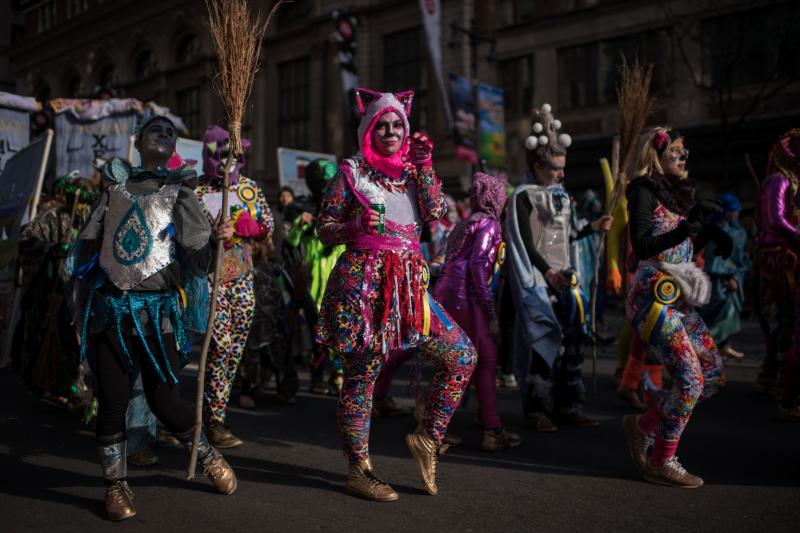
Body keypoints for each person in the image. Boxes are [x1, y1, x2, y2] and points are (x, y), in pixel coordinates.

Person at [65, 115, 237, 521]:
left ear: (175, 148)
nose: (164, 134)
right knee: (113, 402)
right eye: (155, 129)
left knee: (164, 402)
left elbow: (197, 260)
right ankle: (116, 486)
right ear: (137, 139)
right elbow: (88, 255)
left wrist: (216, 242)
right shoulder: (113, 191)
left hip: (157, 317)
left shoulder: (180, 195)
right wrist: (78, 310)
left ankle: (207, 456)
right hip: (111, 313)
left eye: (171, 131)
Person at [315, 88, 476, 501]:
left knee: (461, 355)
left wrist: (424, 167)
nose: (389, 130)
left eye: (396, 124)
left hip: (409, 289)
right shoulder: (351, 172)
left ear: (406, 129)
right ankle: (359, 468)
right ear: (368, 128)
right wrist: (355, 227)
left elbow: (437, 210)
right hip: (362, 286)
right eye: (381, 124)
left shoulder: (413, 172)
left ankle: (429, 437)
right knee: (361, 380)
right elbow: (325, 228)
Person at [622, 127, 730, 487]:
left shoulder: (678, 194)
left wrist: (708, 234)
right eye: (677, 151)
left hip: (677, 296)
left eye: (686, 152)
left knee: (712, 374)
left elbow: (679, 244)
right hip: (651, 297)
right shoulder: (643, 190)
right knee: (690, 379)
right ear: (657, 155)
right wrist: (689, 228)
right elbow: (642, 245)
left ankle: (642, 427)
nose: (684, 157)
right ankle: (661, 460)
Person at [506, 104, 612, 433]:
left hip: (567, 279)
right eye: (555, 169)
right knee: (544, 342)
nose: (561, 175)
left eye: (563, 168)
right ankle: (536, 407)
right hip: (538, 282)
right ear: (538, 166)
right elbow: (523, 242)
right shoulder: (523, 196)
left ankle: (568, 405)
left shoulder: (561, 194)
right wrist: (547, 273)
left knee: (574, 341)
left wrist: (592, 227)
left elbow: (566, 236)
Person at [196, 124, 273, 448]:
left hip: (242, 278)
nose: (229, 160)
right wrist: (209, 236)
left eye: (235, 155)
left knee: (233, 352)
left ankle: (215, 416)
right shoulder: (195, 192)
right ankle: (207, 420)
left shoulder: (250, 188)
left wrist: (253, 228)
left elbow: (268, 228)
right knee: (220, 346)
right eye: (223, 153)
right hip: (209, 281)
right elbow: (178, 236)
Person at [432, 172, 521, 451]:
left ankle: (483, 422)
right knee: (483, 359)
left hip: (448, 297)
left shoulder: (468, 222)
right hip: (466, 300)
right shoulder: (489, 224)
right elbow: (477, 269)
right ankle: (478, 428)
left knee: (462, 360)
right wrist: (491, 315)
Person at [13, 174, 97, 410]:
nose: (79, 206)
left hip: (79, 295)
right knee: (43, 334)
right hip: (49, 290)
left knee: (75, 342)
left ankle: (74, 390)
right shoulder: (53, 217)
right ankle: (42, 383)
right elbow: (26, 240)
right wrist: (52, 249)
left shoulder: (93, 222)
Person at [284, 159, 347, 396]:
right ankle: (318, 376)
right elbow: (290, 241)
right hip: (312, 281)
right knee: (316, 331)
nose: (323, 187)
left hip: (339, 277)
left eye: (326, 182)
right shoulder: (302, 208)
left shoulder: (344, 208)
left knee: (341, 328)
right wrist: (301, 225)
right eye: (318, 182)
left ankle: (338, 374)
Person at [754, 129, 800, 419]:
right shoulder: (778, 181)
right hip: (780, 261)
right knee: (785, 317)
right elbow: (776, 220)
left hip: (793, 256)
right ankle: (780, 377)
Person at [239, 237, 299, 406]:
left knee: (281, 354)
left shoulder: (275, 268)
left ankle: (285, 389)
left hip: (276, 319)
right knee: (253, 356)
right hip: (257, 321)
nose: (272, 245)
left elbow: (288, 291)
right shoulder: (249, 269)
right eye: (268, 242)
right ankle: (247, 390)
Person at [700, 193, 749, 361]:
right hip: (719, 282)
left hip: (732, 279)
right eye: (734, 210)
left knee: (727, 316)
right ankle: (704, 349)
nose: (737, 214)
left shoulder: (736, 230)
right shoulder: (717, 231)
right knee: (719, 315)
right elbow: (717, 258)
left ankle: (723, 347)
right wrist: (728, 278)